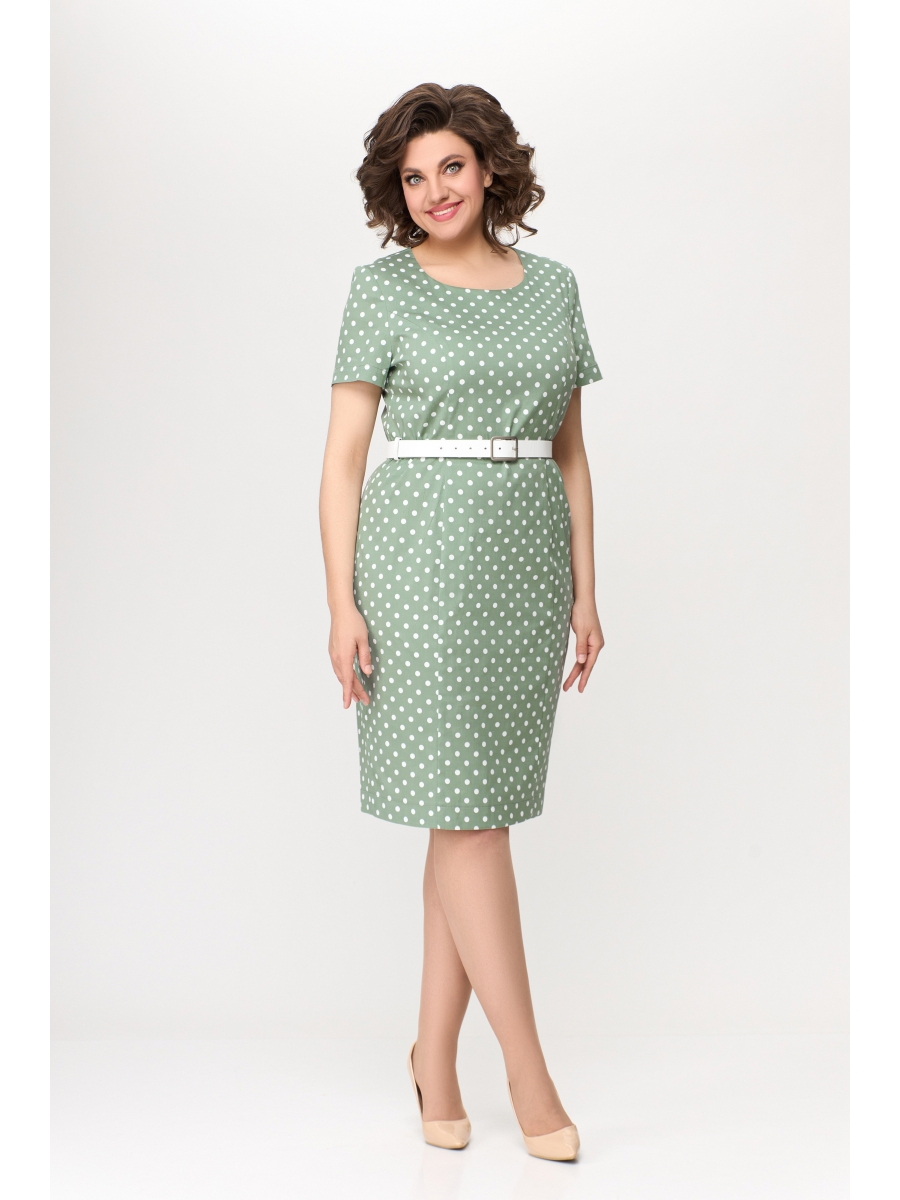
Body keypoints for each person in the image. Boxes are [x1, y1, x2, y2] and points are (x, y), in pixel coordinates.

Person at [319, 83, 604, 1162]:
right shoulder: (382, 288)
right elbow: (343, 462)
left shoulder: (555, 287)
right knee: (472, 823)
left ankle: (432, 1059)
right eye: (413, 177)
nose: (434, 190)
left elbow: (571, 452)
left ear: (489, 169)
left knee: (468, 816)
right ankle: (528, 1075)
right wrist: (341, 602)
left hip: (524, 563)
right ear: (395, 193)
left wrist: (585, 588)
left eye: (450, 166)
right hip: (419, 565)